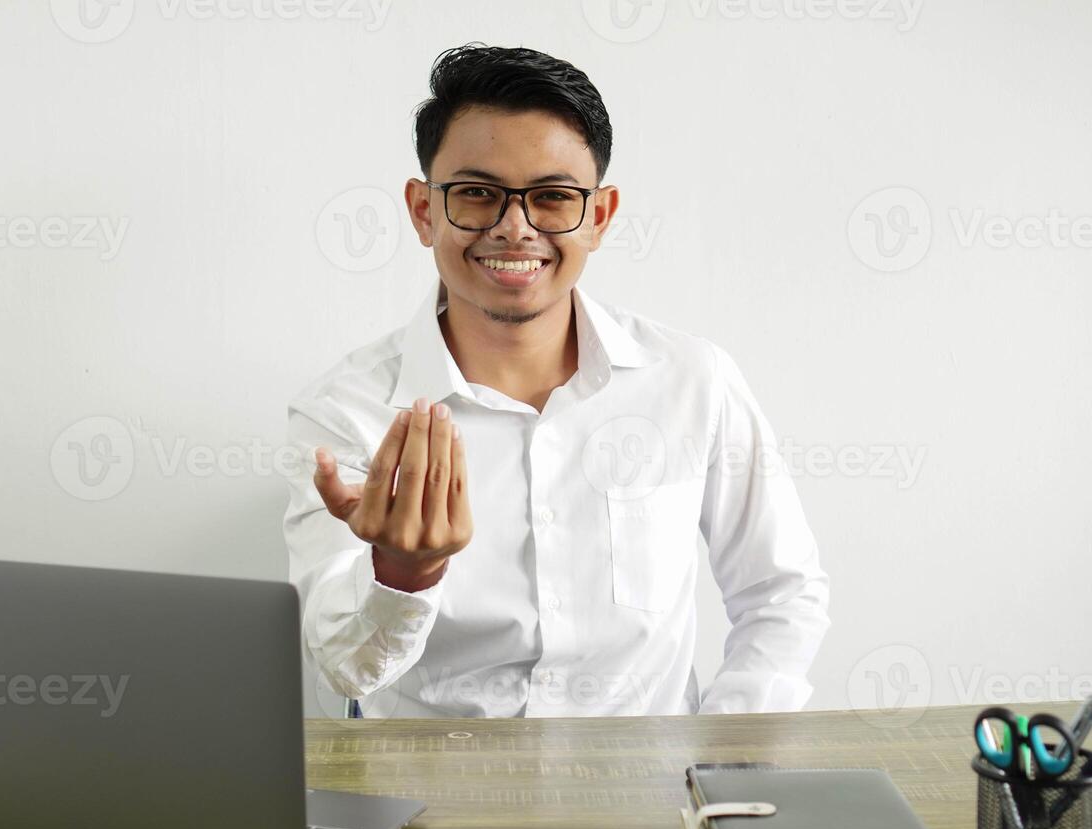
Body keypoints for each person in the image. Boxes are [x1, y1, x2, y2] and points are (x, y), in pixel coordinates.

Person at [282, 44, 830, 719]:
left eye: (552, 197)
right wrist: (404, 576)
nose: (516, 229)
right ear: (424, 210)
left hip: (650, 798)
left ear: (597, 216)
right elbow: (343, 669)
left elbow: (782, 592)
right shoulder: (346, 411)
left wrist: (723, 763)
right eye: (477, 193)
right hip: (431, 798)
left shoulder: (693, 381)